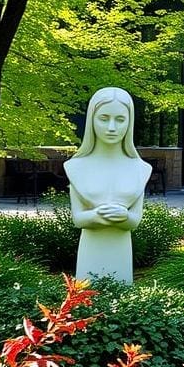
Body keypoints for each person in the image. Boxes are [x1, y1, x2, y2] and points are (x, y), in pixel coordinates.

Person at [64, 87, 151, 284]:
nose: (111, 127)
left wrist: (125, 217)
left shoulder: (140, 168)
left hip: (121, 248)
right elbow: (78, 219)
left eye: (120, 120)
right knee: (85, 300)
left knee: (121, 299)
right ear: (91, 120)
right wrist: (96, 216)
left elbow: (135, 221)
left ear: (130, 122)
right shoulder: (76, 166)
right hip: (90, 249)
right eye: (103, 118)